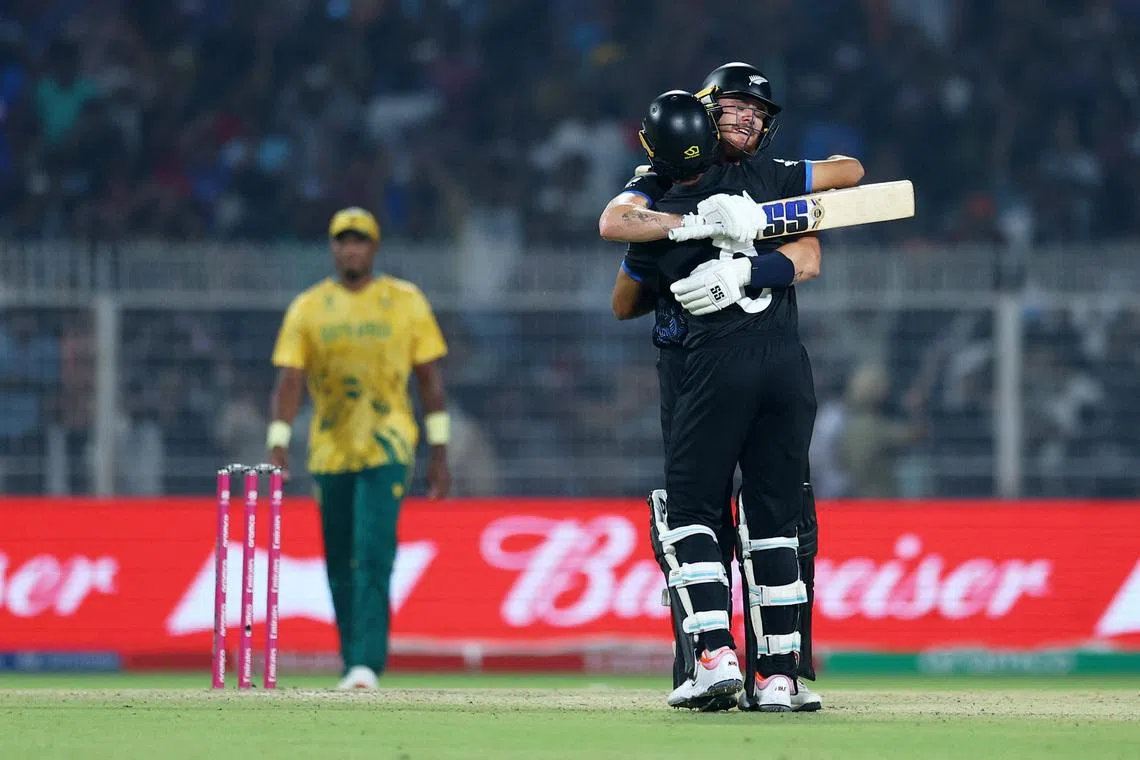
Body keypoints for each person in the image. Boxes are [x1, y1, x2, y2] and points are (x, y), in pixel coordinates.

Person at [601, 65, 862, 711]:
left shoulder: (673, 185)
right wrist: (708, 228)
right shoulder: (753, 187)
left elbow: (621, 290)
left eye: (756, 111)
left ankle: (715, 660)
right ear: (708, 110)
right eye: (735, 107)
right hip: (783, 366)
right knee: (775, 521)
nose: (747, 118)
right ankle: (779, 676)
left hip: (707, 368)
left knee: (695, 515)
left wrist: (735, 264)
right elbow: (813, 249)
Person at [267, 206, 452, 690]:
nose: (351, 248)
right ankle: (353, 660)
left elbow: (429, 379)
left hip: (389, 443)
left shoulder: (404, 301)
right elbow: (290, 379)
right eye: (343, 241)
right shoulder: (308, 308)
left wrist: (439, 451)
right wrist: (278, 440)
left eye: (360, 240)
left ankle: (366, 662)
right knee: (339, 556)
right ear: (333, 248)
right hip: (329, 449)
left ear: (373, 248)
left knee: (372, 551)